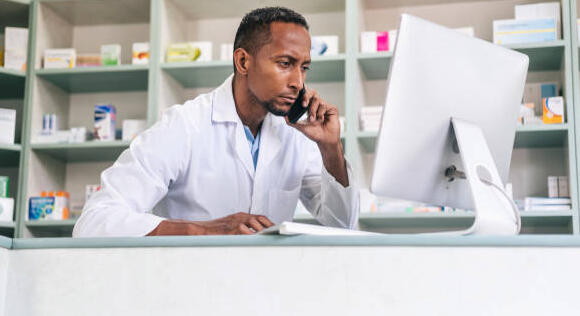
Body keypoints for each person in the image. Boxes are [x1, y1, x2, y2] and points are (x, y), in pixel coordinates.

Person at [72, 7, 359, 237]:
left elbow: (342, 226)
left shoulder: (296, 133)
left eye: (304, 67)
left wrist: (331, 148)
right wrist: (203, 230)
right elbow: (95, 221)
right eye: (285, 63)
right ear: (243, 62)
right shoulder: (185, 125)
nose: (298, 82)